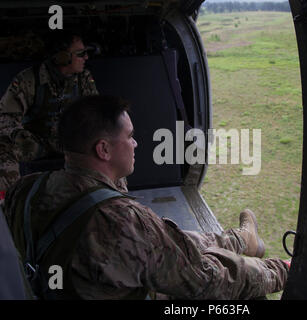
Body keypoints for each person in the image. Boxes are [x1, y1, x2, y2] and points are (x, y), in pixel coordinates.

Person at [4, 95, 289, 300]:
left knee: (175, 240)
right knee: (221, 274)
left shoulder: (25, 190)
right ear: (103, 149)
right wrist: (281, 271)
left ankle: (242, 239)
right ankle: (243, 246)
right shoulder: (123, 222)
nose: (136, 143)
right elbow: (205, 281)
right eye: (129, 136)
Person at [0, 31, 127, 199]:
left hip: (71, 142)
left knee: (109, 145)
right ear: (62, 57)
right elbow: (5, 116)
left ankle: (117, 202)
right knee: (3, 148)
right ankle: (11, 202)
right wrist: (19, 136)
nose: (86, 58)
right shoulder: (29, 79)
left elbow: (97, 115)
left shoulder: (83, 79)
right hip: (37, 143)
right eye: (80, 54)